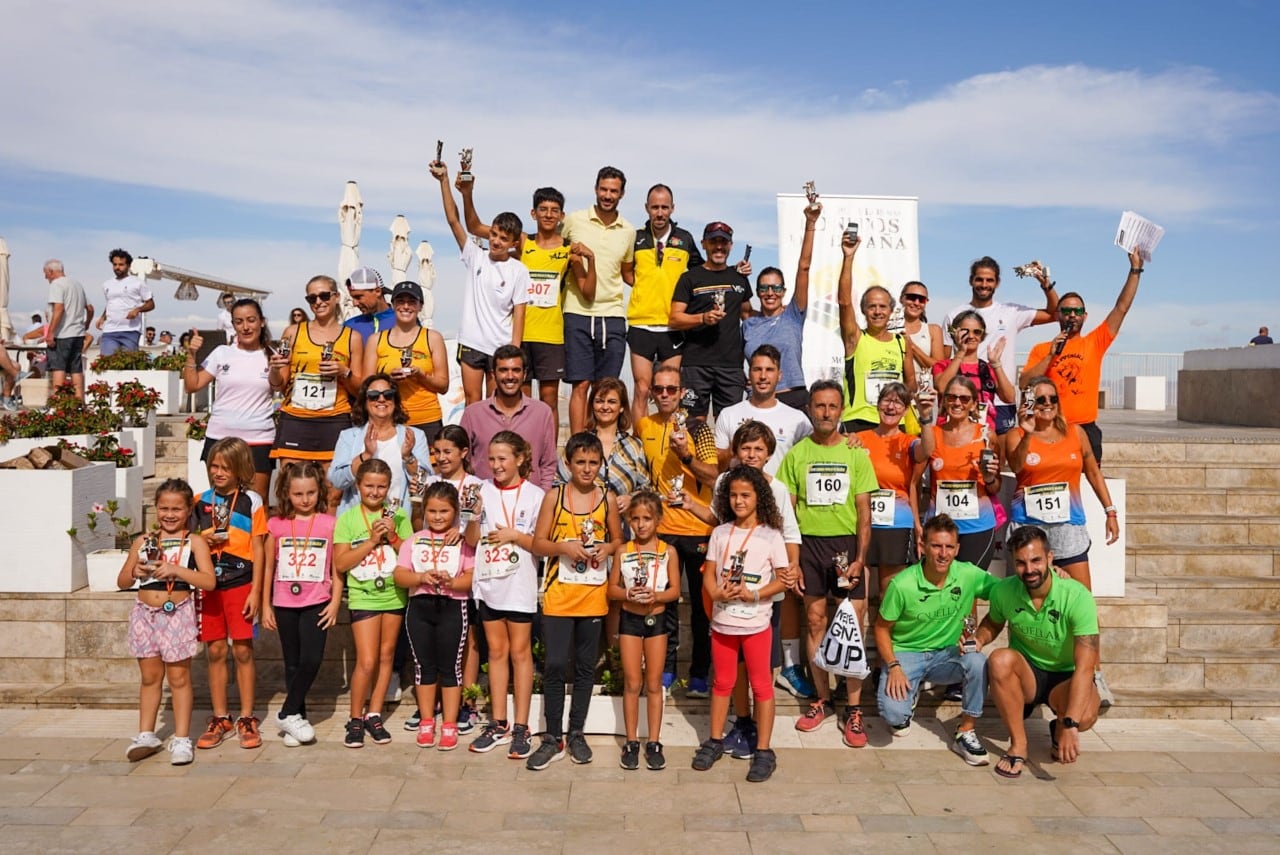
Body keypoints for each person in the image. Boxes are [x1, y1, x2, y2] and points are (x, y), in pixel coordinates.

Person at [684, 420, 805, 758]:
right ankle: (737, 724)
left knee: (759, 676)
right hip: (724, 612)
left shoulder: (775, 500)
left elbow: (789, 537)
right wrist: (716, 592)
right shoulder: (724, 502)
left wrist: (778, 580)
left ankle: (763, 746)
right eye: (745, 448)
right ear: (735, 451)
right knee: (726, 676)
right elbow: (714, 529)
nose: (751, 454)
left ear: (768, 454)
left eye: (758, 449)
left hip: (758, 609)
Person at [777, 380, 879, 746]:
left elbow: (865, 513)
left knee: (851, 626)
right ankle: (821, 699)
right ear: (810, 409)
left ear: (841, 410)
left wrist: (861, 558)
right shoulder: (797, 455)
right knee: (816, 621)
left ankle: (853, 709)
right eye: (819, 406)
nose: (825, 413)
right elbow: (786, 513)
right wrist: (794, 560)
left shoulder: (856, 453)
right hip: (809, 547)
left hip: (846, 548)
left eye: (832, 406)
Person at [690, 465, 793, 783]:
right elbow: (708, 573)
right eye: (733, 495)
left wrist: (755, 594)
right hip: (723, 623)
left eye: (745, 495)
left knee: (761, 686)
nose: (738, 501)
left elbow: (783, 581)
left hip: (756, 625)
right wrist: (715, 591)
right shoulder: (720, 532)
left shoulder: (771, 535)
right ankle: (715, 740)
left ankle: (763, 750)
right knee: (722, 683)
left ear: (758, 498)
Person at [460, 182, 592, 425]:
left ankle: (548, 460)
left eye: (554, 210)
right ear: (534, 213)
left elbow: (588, 291)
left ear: (562, 216)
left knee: (549, 402)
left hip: (551, 335)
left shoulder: (568, 248)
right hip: (519, 335)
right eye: (543, 209)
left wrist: (589, 261)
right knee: (521, 402)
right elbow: (475, 227)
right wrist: (467, 194)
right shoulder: (522, 242)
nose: (549, 214)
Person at [975, 525, 1102, 778]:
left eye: (1036, 560)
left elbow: (1086, 667)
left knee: (1085, 716)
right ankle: (1019, 744)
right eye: (1021, 563)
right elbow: (993, 622)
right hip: (1029, 674)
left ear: (1050, 558)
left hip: (1066, 676)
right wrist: (977, 640)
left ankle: (1060, 725)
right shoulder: (1004, 590)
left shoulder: (1078, 596)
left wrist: (1070, 724)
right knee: (999, 660)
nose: (1029, 569)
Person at [527, 432, 622, 770]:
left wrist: (605, 549)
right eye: (580, 462)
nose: (586, 468)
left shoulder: (607, 498)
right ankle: (553, 736)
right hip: (559, 594)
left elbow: (618, 541)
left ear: (601, 464)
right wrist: (563, 547)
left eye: (593, 462)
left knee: (584, 668)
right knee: (554, 664)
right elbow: (537, 543)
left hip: (592, 595)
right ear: (567, 464)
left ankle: (577, 732)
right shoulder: (555, 497)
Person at [875, 514, 994, 765]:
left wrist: (1052, 574)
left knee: (977, 661)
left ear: (957, 549)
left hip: (947, 655)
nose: (943, 553)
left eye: (949, 547)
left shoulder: (968, 574)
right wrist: (894, 666)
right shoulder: (902, 584)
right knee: (894, 717)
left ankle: (966, 731)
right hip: (907, 654)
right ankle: (911, 689)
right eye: (936, 546)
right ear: (923, 547)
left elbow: (1007, 591)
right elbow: (881, 628)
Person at [118, 479, 216, 766]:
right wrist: (135, 570)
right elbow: (122, 580)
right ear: (155, 509)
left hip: (178, 612)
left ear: (188, 511)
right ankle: (146, 733)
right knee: (149, 678)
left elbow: (208, 581)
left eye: (176, 509)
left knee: (178, 677)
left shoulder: (195, 541)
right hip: (143, 614)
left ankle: (182, 738)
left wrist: (178, 570)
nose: (169, 515)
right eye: (164, 508)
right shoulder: (143, 540)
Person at [635, 364, 719, 696]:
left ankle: (699, 673)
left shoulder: (699, 427)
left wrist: (685, 455)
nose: (666, 395)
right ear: (652, 393)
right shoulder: (645, 425)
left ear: (682, 392)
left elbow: (712, 475)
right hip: (663, 531)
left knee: (701, 608)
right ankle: (666, 670)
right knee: (663, 606)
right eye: (660, 390)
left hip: (698, 529)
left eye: (672, 389)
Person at [462, 432, 545, 759]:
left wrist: (515, 535)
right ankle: (499, 722)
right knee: (495, 652)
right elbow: (470, 539)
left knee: (520, 653)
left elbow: (541, 545)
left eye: (502, 459)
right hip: (490, 583)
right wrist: (472, 513)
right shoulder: (479, 490)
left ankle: (521, 725)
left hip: (520, 584)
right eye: (491, 459)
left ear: (520, 459)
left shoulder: (536, 496)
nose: (495, 465)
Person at [1022, 250, 1147, 462]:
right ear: (1058, 315)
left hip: (1086, 429)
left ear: (1085, 316)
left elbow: (1121, 308)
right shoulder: (1041, 349)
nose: (1072, 315)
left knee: (1086, 488)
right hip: (1051, 426)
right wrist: (1050, 356)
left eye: (1078, 311)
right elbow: (1024, 383)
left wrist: (1135, 270)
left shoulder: (1094, 343)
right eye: (1067, 311)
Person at [429, 159, 530, 406]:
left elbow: (519, 314)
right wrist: (444, 181)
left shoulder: (519, 270)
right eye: (493, 235)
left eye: (503, 238)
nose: (495, 241)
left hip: (500, 347)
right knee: (473, 402)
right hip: (472, 343)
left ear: (513, 243)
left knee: (496, 403)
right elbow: (454, 221)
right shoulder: (476, 256)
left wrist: (514, 351)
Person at [190, 438, 268, 752]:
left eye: (225, 467)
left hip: (241, 583)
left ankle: (247, 717)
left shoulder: (252, 500)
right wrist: (203, 543)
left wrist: (258, 593)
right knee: (216, 651)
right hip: (210, 585)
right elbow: (191, 541)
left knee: (244, 651)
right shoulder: (199, 501)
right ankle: (221, 716)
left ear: (240, 469)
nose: (218, 472)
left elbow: (260, 549)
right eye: (214, 466)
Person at [334, 458, 414, 748]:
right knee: (366, 661)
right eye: (369, 485)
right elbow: (341, 563)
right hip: (363, 594)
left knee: (386, 657)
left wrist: (392, 535)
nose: (375, 492)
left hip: (393, 593)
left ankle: (374, 714)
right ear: (358, 486)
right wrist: (370, 541)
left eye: (381, 487)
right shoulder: (348, 519)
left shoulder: (400, 515)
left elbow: (409, 554)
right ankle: (355, 717)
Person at [261, 461, 342, 748]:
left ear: (318, 491)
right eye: (298, 494)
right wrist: (265, 605)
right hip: (284, 602)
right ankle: (297, 719)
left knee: (312, 660)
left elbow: (337, 568)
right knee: (292, 663)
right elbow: (269, 568)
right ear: (286, 493)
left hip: (316, 602)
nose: (305, 499)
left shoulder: (330, 523)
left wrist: (334, 602)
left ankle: (285, 712)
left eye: (310, 493)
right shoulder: (276, 525)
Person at [393, 480, 476, 751]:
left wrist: (451, 582)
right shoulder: (413, 541)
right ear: (424, 512)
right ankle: (427, 720)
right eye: (432, 512)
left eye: (444, 512)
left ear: (455, 512)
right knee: (423, 666)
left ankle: (449, 724)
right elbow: (400, 574)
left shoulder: (462, 542)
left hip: (452, 607)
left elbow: (471, 577)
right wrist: (421, 576)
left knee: (450, 667)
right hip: (420, 608)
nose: (438, 517)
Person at [942, 257, 1059, 435]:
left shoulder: (1011, 312)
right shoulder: (953, 315)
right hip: (966, 399)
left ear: (997, 283)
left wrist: (1045, 285)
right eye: (979, 279)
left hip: (1002, 399)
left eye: (989, 280)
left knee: (999, 457)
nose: (984, 284)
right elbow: (945, 361)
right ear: (971, 280)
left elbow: (1054, 313)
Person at [607, 489, 679, 771]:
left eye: (647, 518)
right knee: (633, 682)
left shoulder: (668, 551)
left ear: (658, 519)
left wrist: (655, 597)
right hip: (630, 620)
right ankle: (632, 740)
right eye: (635, 519)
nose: (641, 524)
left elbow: (674, 591)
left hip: (657, 620)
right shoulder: (624, 550)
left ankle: (654, 741)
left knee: (653, 683)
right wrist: (627, 595)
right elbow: (612, 589)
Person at [560, 166, 636, 432]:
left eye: (613, 191)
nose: (607, 195)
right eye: (603, 189)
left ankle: (602, 445)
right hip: (576, 312)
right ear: (595, 189)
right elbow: (551, 249)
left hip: (613, 315)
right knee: (580, 384)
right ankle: (577, 445)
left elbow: (628, 273)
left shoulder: (628, 231)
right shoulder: (574, 220)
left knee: (605, 389)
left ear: (622, 194)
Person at [425, 426, 486, 734]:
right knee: (439, 639)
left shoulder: (477, 485)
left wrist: (461, 533)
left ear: (464, 453)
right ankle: (437, 701)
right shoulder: (430, 482)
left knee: (469, 639)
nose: (441, 457)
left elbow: (481, 527)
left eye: (448, 451)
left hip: (468, 568)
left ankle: (468, 701)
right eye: (436, 452)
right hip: (435, 571)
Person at [626, 184, 704, 425]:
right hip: (642, 323)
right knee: (642, 388)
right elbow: (626, 272)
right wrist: (645, 290)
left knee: (671, 390)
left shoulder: (685, 239)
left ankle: (671, 443)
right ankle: (639, 444)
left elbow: (701, 274)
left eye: (664, 207)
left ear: (672, 208)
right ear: (647, 208)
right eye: (655, 207)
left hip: (673, 326)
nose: (659, 213)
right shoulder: (636, 238)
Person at [184, 299, 276, 500]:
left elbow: (281, 386)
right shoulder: (222, 353)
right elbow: (192, 385)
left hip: (258, 440)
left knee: (256, 504)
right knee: (220, 503)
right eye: (239, 321)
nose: (245, 327)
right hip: (220, 438)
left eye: (251, 320)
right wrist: (191, 355)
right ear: (232, 325)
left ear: (262, 322)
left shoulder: (273, 356)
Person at [270, 275, 363, 474]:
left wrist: (343, 372)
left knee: (332, 491)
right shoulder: (293, 332)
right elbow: (278, 385)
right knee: (291, 487)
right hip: (296, 418)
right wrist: (275, 369)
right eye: (312, 299)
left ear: (336, 297)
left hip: (334, 418)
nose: (318, 302)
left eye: (323, 296)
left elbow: (359, 388)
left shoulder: (352, 337)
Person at [858, 382, 935, 597]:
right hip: (861, 520)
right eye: (887, 400)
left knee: (889, 592)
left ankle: (885, 632)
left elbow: (927, 449)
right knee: (856, 591)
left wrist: (926, 416)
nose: (891, 407)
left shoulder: (908, 442)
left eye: (898, 403)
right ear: (878, 404)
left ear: (905, 410)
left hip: (895, 523)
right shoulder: (860, 438)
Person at [669, 221, 752, 420]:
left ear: (731, 246)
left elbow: (748, 316)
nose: (719, 247)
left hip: (731, 367)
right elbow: (674, 318)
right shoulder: (689, 278)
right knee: (692, 424)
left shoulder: (739, 278)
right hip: (696, 365)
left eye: (724, 242)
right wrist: (703, 318)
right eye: (713, 242)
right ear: (704, 244)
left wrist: (777, 312)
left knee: (730, 426)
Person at [741, 202, 818, 410]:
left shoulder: (793, 315)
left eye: (776, 288)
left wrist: (810, 223)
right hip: (758, 402)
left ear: (784, 291)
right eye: (764, 288)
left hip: (793, 398)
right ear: (757, 293)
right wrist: (742, 380)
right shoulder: (749, 323)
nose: (770, 293)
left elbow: (804, 267)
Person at [837, 235, 915, 431]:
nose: (878, 311)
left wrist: (898, 399)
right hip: (859, 421)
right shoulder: (855, 338)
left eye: (882, 306)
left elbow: (911, 383)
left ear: (891, 311)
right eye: (872, 307)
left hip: (895, 422)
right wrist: (848, 257)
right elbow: (844, 302)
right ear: (863, 310)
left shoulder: (901, 342)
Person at [328, 374, 433, 517]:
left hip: (399, 521)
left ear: (395, 401)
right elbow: (336, 480)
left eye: (388, 395)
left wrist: (408, 457)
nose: (381, 399)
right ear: (364, 402)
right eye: (373, 395)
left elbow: (427, 481)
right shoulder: (348, 436)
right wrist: (365, 456)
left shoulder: (415, 435)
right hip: (358, 522)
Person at [926, 376, 1002, 568]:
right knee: (938, 589)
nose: (957, 402)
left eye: (964, 398)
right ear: (943, 402)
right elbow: (915, 480)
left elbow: (995, 487)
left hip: (977, 527)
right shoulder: (932, 434)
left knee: (968, 592)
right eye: (951, 397)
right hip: (940, 529)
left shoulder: (987, 436)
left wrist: (990, 477)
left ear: (974, 405)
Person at [458, 345, 557, 489]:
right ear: (493, 374)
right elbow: (462, 460)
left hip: (529, 506)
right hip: (484, 502)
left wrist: (542, 499)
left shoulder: (542, 413)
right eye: (503, 370)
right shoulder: (472, 414)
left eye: (516, 370)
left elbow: (548, 464)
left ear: (524, 374)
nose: (510, 376)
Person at [362, 281, 448, 443]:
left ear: (420, 306)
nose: (406, 306)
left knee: (428, 467)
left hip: (426, 417)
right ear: (393, 305)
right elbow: (366, 386)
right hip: (388, 418)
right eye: (401, 301)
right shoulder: (376, 339)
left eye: (412, 302)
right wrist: (389, 380)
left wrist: (421, 376)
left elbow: (443, 386)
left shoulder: (432, 337)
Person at [554, 377, 650, 516]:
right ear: (592, 405)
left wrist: (632, 499)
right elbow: (558, 483)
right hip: (581, 524)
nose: (605, 407)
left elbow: (646, 487)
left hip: (622, 527)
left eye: (611, 402)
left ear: (622, 407)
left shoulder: (634, 446)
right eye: (599, 401)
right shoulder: (578, 443)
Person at [713, 344, 812, 474]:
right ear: (749, 374)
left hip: (779, 494)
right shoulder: (728, 414)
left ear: (779, 375)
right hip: (740, 492)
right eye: (757, 369)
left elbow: (814, 456)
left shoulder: (798, 419)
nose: (763, 376)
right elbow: (715, 468)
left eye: (769, 370)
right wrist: (735, 447)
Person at [932, 310, 1015, 436]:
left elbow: (1009, 397)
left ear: (982, 336)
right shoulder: (943, 366)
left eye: (977, 332)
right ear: (955, 333)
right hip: (949, 433)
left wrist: (996, 364)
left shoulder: (988, 368)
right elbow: (942, 387)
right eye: (965, 331)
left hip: (982, 434)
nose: (971, 336)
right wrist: (960, 352)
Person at [42, 259, 93, 401]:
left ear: (51, 272)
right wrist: (86, 324)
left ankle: (59, 403)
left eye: (46, 274)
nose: (46, 277)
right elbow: (90, 308)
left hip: (63, 334)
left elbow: (59, 309)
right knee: (76, 368)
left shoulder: (57, 284)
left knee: (59, 368)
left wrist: (51, 333)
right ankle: (78, 402)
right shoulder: (76, 284)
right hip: (78, 333)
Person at [96, 248, 155, 355]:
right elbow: (111, 303)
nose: (117, 267)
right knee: (107, 363)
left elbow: (151, 304)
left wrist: (138, 309)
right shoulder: (107, 284)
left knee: (127, 365)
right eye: (115, 264)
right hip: (110, 330)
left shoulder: (137, 283)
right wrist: (102, 317)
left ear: (128, 265)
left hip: (130, 330)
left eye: (121, 264)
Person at [897, 281, 945, 383]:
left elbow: (939, 369)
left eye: (922, 299)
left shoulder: (933, 330)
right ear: (901, 299)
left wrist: (912, 346)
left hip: (924, 393)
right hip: (895, 392)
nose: (916, 303)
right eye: (912, 297)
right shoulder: (889, 329)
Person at [342, 267, 396, 345]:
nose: (354, 303)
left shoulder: (404, 323)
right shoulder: (349, 326)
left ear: (377, 291)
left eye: (358, 297)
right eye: (352, 298)